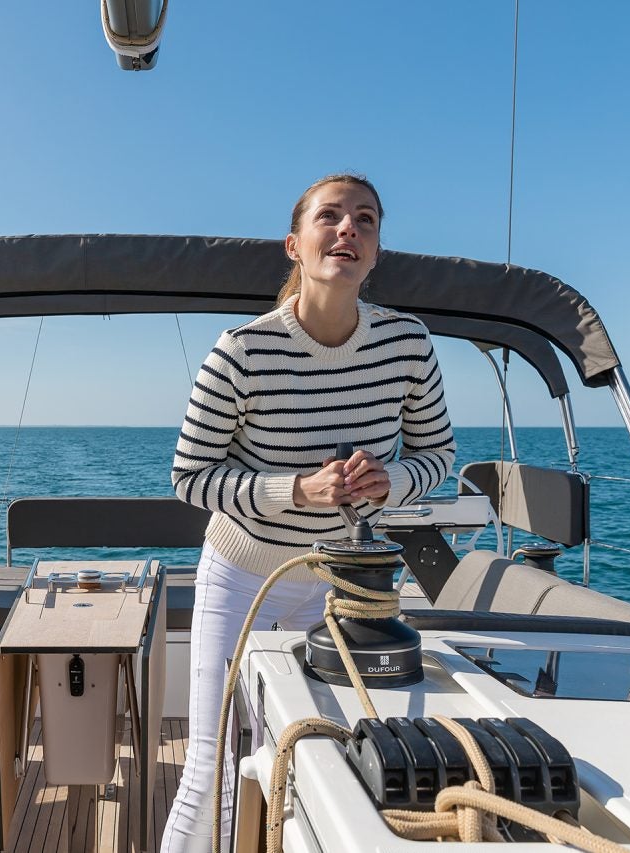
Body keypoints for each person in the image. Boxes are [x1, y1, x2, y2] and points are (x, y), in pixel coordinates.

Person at [161, 174, 456, 851]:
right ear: (295, 245)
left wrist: (394, 480)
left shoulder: (407, 344)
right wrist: (297, 489)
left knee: (307, 764)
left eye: (366, 220)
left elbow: (438, 451)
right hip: (241, 578)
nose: (349, 228)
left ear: (376, 253)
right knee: (212, 771)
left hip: (341, 589)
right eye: (331, 216)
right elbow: (189, 476)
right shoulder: (242, 350)